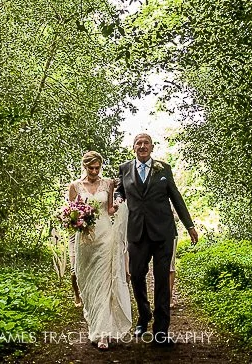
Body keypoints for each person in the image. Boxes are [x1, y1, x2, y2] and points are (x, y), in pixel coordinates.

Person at [115, 133, 199, 347]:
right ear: (133, 147)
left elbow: (176, 197)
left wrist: (189, 226)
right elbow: (120, 191)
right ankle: (144, 316)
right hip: (137, 233)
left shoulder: (164, 169)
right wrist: (117, 198)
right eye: (138, 143)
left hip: (162, 233)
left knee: (162, 280)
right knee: (135, 276)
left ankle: (161, 331)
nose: (142, 146)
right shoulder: (124, 168)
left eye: (146, 143)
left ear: (152, 147)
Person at [68, 150, 132, 350]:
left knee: (105, 282)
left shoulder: (108, 184)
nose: (95, 171)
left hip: (106, 236)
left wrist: (122, 206)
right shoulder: (75, 186)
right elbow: (71, 213)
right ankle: (94, 324)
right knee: (89, 282)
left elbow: (110, 209)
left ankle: (103, 333)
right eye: (91, 168)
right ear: (84, 167)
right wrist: (77, 220)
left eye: (97, 167)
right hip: (85, 240)